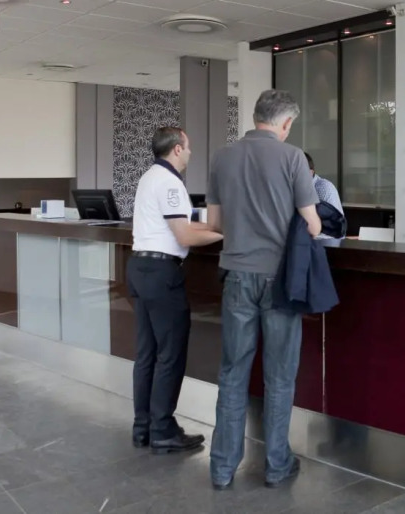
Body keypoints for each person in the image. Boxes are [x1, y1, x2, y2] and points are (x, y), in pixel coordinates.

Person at [207, 90, 321, 490]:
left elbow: (215, 223)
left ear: (255, 116)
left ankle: (222, 468)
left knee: (232, 372)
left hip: (236, 275)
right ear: (285, 123)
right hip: (280, 280)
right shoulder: (293, 158)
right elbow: (313, 224)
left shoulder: (222, 157)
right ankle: (276, 465)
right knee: (280, 375)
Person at [127, 126, 223, 454]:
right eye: (189, 146)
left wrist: (212, 227)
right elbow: (184, 236)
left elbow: (178, 224)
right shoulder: (170, 182)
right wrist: (226, 234)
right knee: (170, 354)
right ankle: (164, 430)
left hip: (139, 268)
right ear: (177, 149)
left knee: (147, 354)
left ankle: (143, 428)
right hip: (161, 274)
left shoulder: (149, 177)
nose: (191, 153)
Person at [305, 151, 346, 239]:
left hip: (328, 241)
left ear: (310, 173)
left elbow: (330, 229)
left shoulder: (323, 188)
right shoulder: (293, 188)